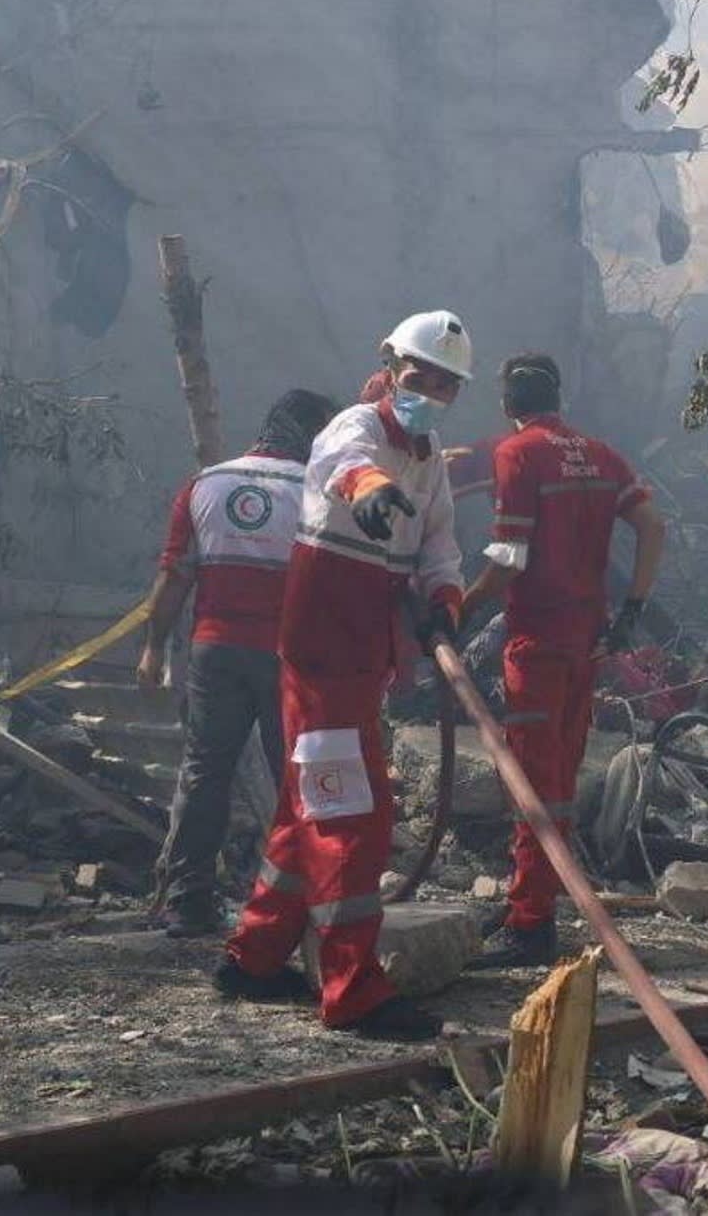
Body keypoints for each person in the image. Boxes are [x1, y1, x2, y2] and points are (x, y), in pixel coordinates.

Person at [214, 311, 472, 1040]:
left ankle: (255, 957)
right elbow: (339, 466)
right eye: (420, 377)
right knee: (350, 818)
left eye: (445, 384)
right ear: (391, 367)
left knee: (307, 812)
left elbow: (440, 549)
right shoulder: (353, 428)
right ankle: (353, 990)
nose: (430, 391)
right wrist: (366, 490)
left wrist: (444, 605)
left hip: (363, 658)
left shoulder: (428, 459)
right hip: (323, 651)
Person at [461, 352, 665, 969]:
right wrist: (630, 611)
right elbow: (652, 526)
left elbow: (509, 556)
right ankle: (537, 899)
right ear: (559, 398)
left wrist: (462, 605)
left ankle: (530, 925)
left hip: (537, 641)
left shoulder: (517, 455)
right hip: (586, 639)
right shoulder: (601, 454)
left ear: (506, 405)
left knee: (530, 783)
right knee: (560, 780)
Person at [141, 389, 338, 938]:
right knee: (296, 779)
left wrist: (154, 647)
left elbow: (173, 576)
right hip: (289, 658)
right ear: (313, 435)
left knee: (204, 772)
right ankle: (297, 903)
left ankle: (188, 902)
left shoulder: (206, 483)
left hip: (215, 652)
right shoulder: (317, 491)